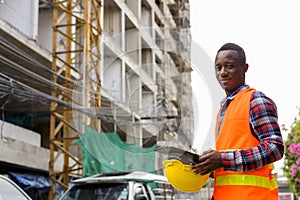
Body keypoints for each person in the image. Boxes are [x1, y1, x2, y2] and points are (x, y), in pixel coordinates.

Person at [191, 43, 284, 200]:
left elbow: (274, 148)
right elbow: (232, 167)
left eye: (229, 66)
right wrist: (208, 166)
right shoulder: (223, 109)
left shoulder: (255, 100)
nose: (223, 73)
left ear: (244, 68)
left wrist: (222, 159)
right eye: (218, 67)